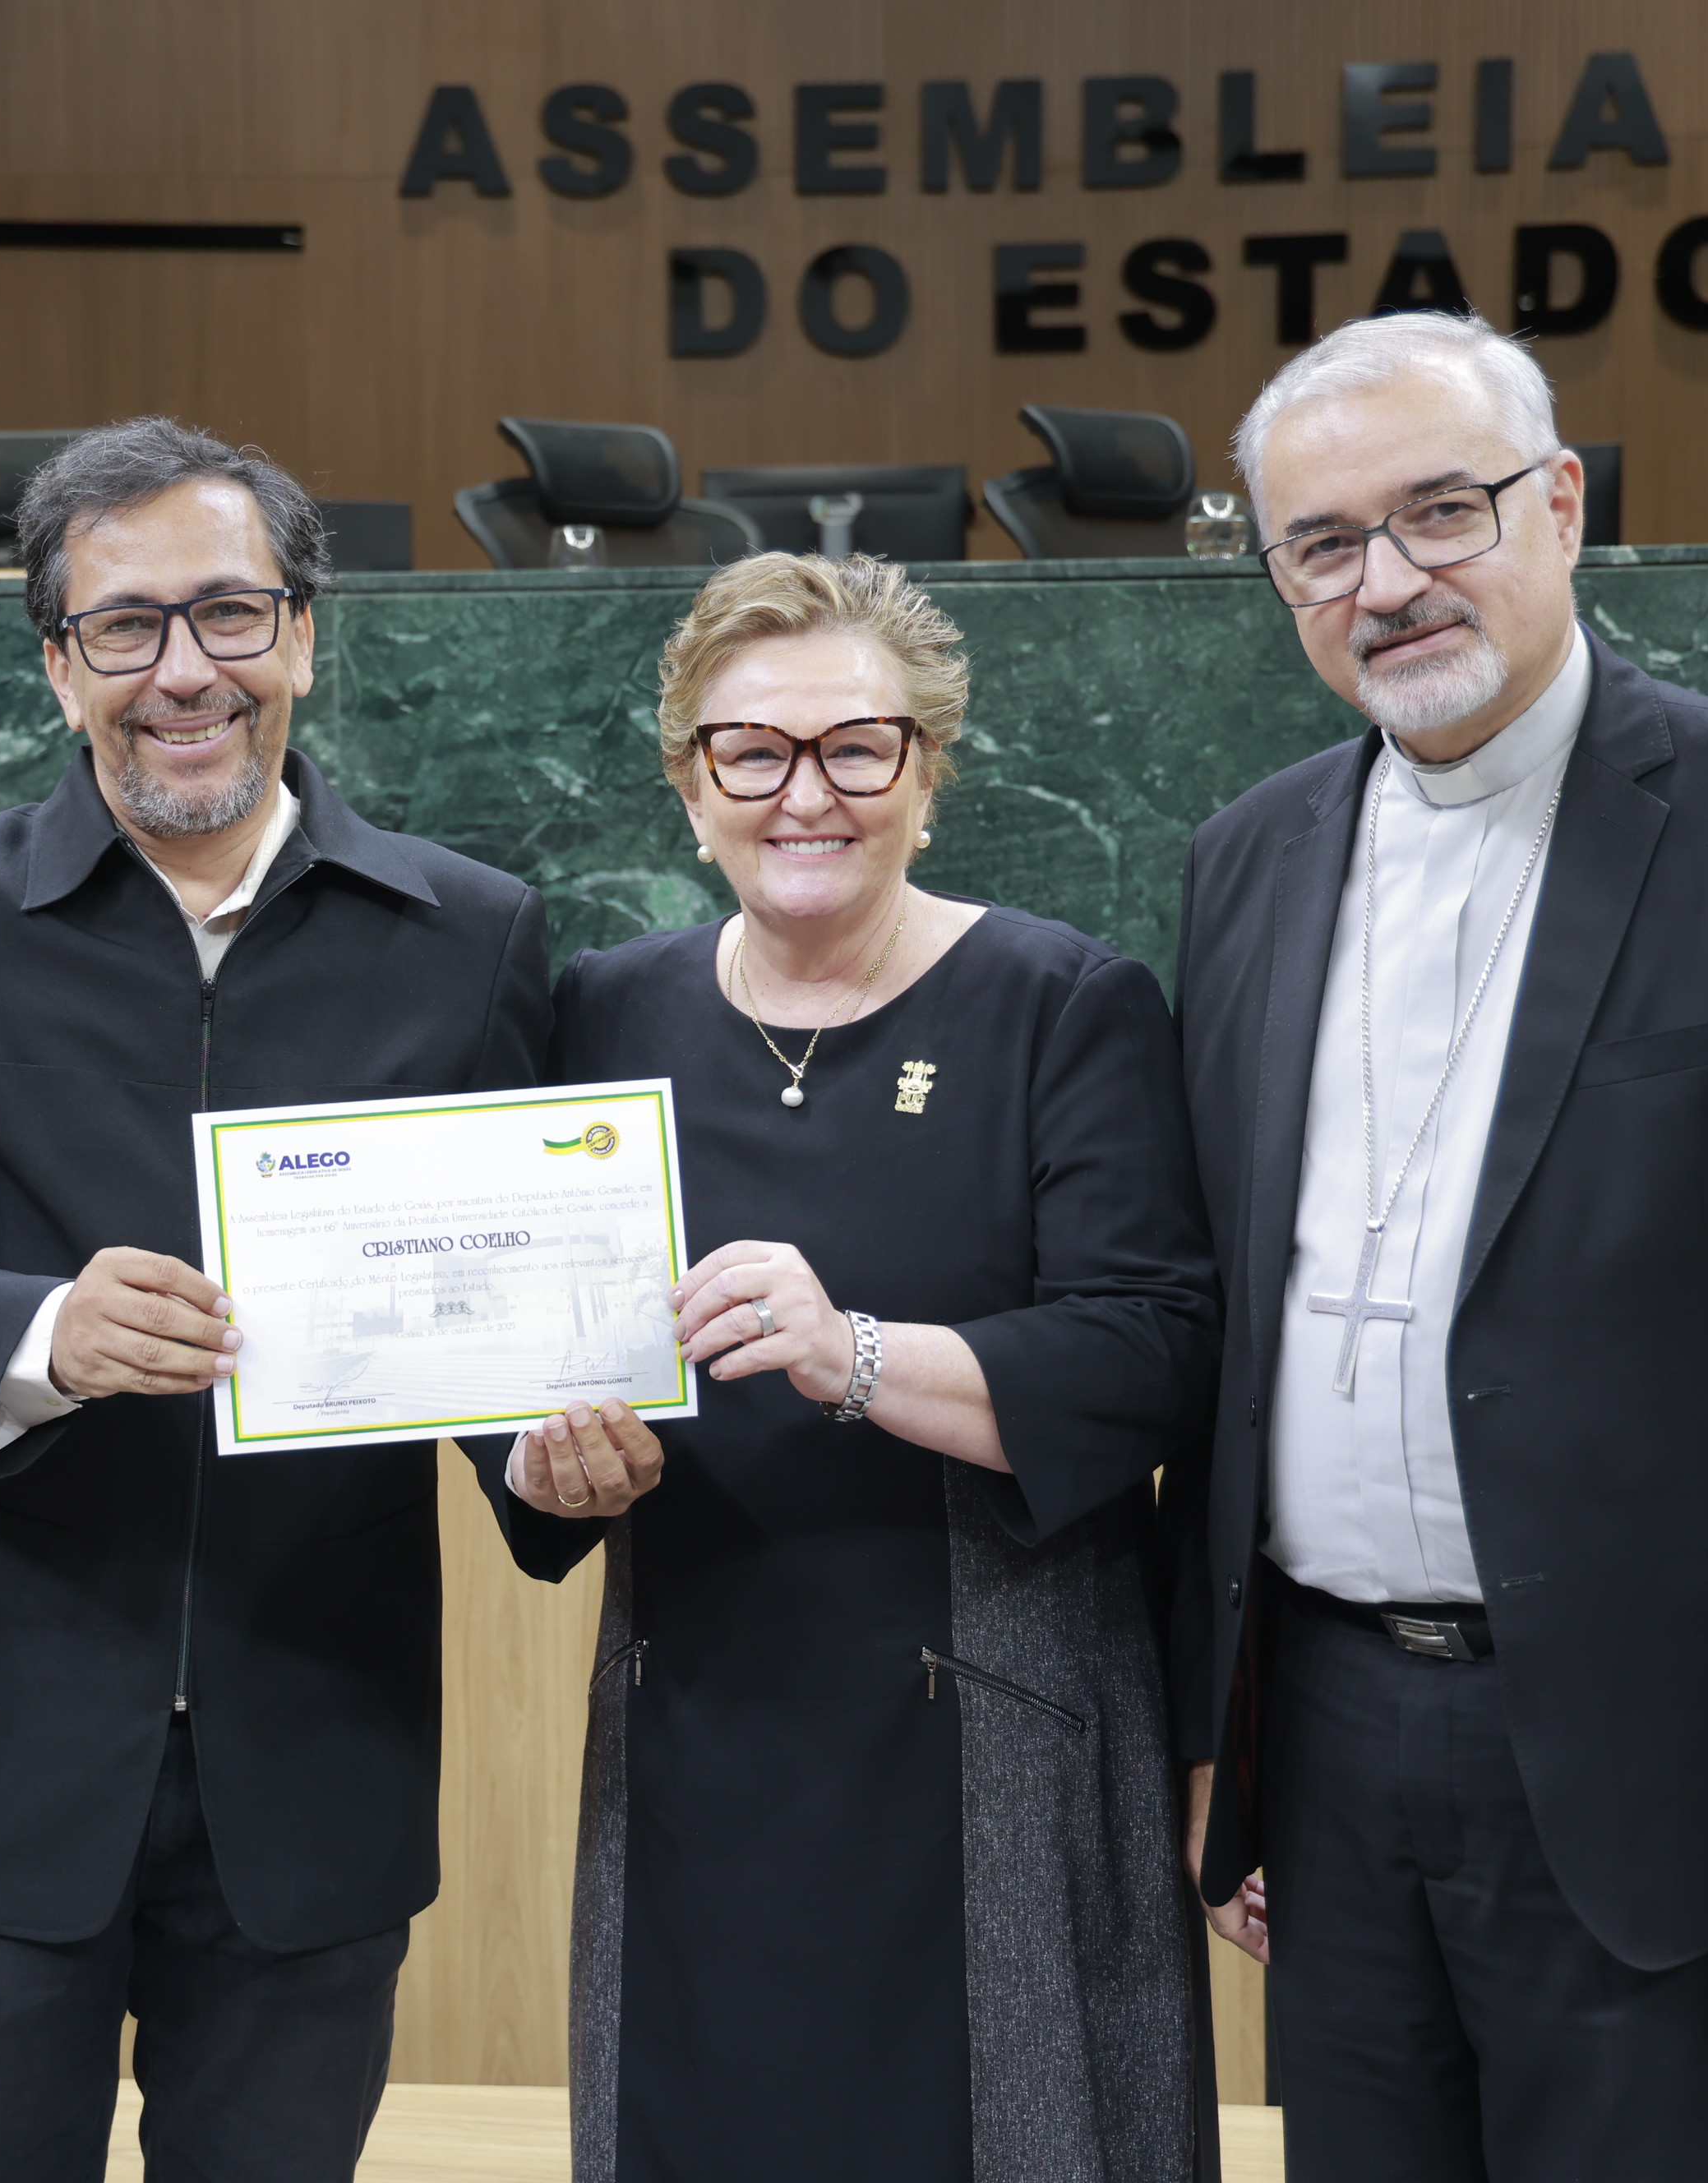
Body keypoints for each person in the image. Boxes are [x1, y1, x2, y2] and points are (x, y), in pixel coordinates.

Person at [1165, 310, 1708, 2181]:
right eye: (1323, 544)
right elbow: (1224, 1332)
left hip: (1679, 1779)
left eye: (1441, 511)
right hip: (1330, 1747)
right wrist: (1225, 1747)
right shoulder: (1244, 857)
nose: (1388, 581)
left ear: (1560, 505)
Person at [0, 417, 552, 2182]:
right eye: (124, 626)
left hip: (318, 1743)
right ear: (60, 667)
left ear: (304, 637)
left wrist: (553, 1467)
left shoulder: (470, 934)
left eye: (229, 613)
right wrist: (38, 1337)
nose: (184, 671)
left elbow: (498, 1303)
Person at [484, 552, 1223, 2183]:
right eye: (753, 752)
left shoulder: (1063, 1003)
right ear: (691, 786)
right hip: (694, 1725)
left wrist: (857, 1353)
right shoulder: (604, 1011)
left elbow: (1152, 1349)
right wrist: (542, 1467)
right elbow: (529, 1345)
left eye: (857, 748)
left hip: (996, 1732)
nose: (804, 794)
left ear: (927, 773)